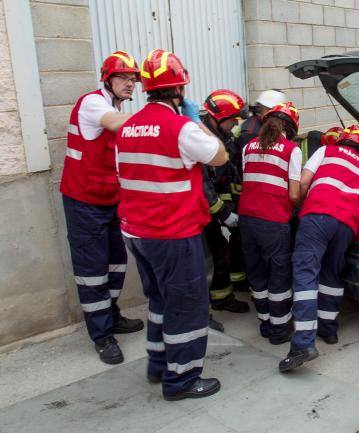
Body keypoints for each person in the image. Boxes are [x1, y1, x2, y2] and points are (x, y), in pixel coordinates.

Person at [116, 49, 227, 400]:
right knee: (187, 306)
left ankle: (158, 365)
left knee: (160, 301)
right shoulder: (181, 128)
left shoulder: (128, 126)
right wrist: (195, 122)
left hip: (136, 232)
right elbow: (220, 156)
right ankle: (182, 380)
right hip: (173, 234)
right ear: (178, 90)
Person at [60, 50, 144, 365]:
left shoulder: (117, 106)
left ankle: (111, 314)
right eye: (123, 77)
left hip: (111, 200)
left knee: (116, 262)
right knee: (92, 271)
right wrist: (160, 121)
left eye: (134, 78)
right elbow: (114, 123)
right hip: (83, 202)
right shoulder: (94, 103)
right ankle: (101, 335)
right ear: (107, 79)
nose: (130, 83)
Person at [279, 125, 359, 372]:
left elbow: (304, 182)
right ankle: (329, 330)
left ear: (342, 140)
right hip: (347, 226)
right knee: (331, 275)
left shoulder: (326, 150)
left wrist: (299, 207)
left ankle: (303, 343)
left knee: (305, 275)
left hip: (318, 215)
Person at [238, 102, 303, 344]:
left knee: (257, 273)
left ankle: (265, 322)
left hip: (247, 219)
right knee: (278, 275)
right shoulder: (291, 150)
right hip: (273, 222)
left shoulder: (248, 147)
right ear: (291, 127)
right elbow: (294, 194)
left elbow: (250, 181)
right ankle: (279, 330)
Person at [200, 89, 250, 315]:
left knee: (220, 251)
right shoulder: (200, 139)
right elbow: (203, 187)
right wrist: (224, 214)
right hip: (195, 210)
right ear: (218, 118)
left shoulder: (224, 138)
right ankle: (210, 305)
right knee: (210, 256)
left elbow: (226, 177)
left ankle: (221, 297)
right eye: (233, 119)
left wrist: (231, 205)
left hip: (210, 205)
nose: (235, 124)